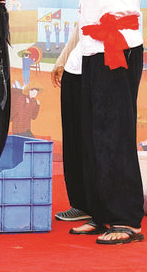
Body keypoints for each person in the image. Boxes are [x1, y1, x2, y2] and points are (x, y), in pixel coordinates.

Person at [0, 0, 144, 245]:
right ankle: (99, 212)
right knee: (93, 135)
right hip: (92, 50)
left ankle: (126, 219)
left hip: (117, 49)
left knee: (113, 133)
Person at [51, 24, 91, 223]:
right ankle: (81, 204)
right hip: (74, 72)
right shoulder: (86, 6)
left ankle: (96, 204)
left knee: (91, 141)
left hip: (95, 75)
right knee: (73, 141)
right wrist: (62, 61)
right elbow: (79, 30)